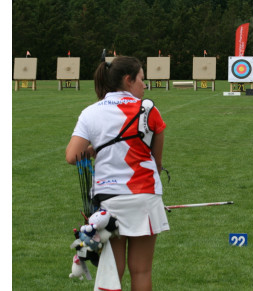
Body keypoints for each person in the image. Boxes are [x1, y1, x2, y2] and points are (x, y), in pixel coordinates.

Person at [65, 56, 169, 290]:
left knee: (113, 270)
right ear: (128, 80)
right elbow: (157, 162)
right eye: (142, 79)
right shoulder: (149, 109)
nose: (145, 85)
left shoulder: (91, 112)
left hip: (108, 201)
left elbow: (73, 156)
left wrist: (92, 150)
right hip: (144, 195)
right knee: (141, 271)